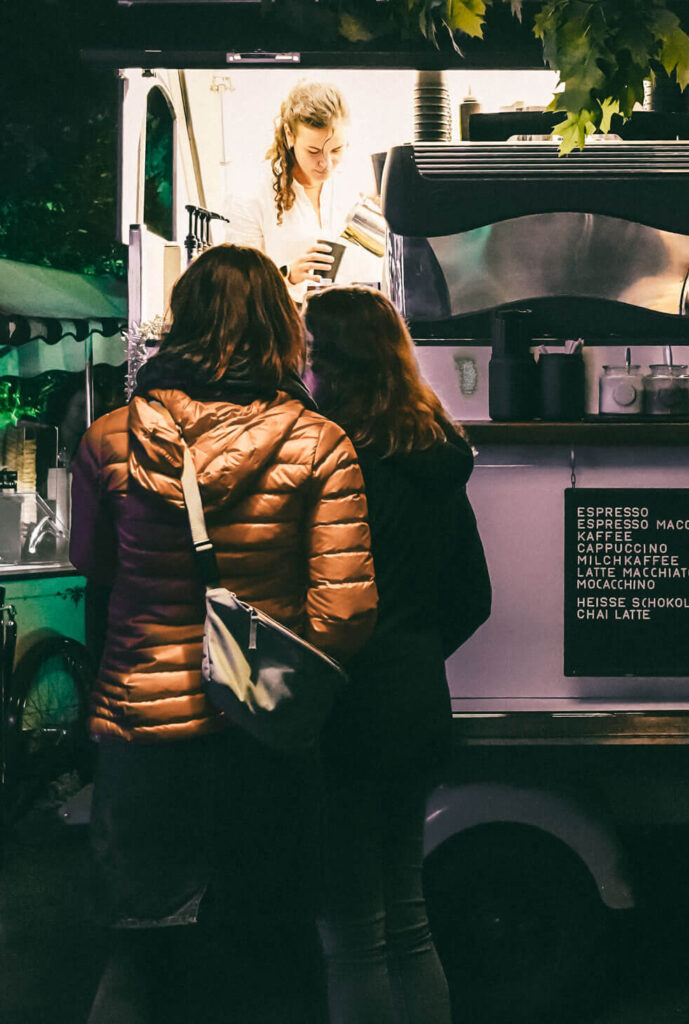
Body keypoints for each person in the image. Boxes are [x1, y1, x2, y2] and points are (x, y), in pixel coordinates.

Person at [70, 244, 378, 1024]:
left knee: (140, 953)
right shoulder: (321, 446)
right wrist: (269, 678)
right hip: (261, 740)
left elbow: (94, 572)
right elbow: (345, 613)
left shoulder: (110, 440)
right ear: (283, 328)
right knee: (275, 954)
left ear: (184, 324)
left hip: (142, 734)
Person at [304, 286, 491, 1024]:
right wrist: (412, 650)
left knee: (352, 936)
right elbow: (474, 598)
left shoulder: (327, 457)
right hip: (417, 703)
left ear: (330, 360)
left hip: (343, 708)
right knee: (408, 919)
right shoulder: (436, 454)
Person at [226, 80, 379, 302]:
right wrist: (287, 276)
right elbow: (236, 284)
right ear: (290, 135)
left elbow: (375, 261)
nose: (326, 163)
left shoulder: (351, 188)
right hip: (280, 328)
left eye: (336, 149)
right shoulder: (251, 195)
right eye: (313, 151)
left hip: (348, 325)